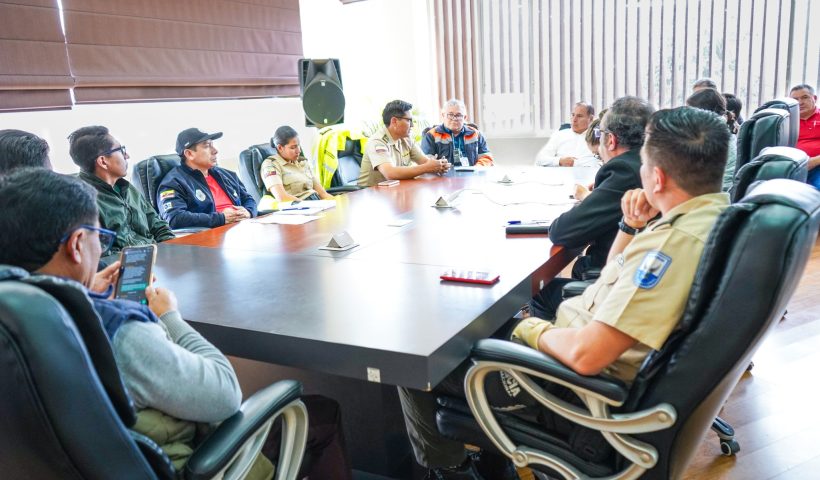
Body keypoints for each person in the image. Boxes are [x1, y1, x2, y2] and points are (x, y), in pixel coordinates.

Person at [397, 106, 731, 479]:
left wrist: (528, 328)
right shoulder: (703, 220)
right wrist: (630, 225)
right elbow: (612, 278)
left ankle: (453, 472)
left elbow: (587, 356)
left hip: (567, 383)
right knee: (482, 322)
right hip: (576, 352)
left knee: (417, 363)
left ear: (657, 176)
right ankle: (494, 462)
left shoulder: (672, 246)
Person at [0, 168, 352, 479]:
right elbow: (224, 395)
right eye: (99, 237)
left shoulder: (18, 315)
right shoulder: (116, 331)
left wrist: (81, 291)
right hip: (184, 465)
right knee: (322, 413)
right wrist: (169, 316)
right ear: (77, 245)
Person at [531, 97, 654, 315]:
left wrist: (592, 199)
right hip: (641, 275)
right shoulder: (648, 162)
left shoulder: (624, 170)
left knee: (539, 291)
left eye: (600, 133)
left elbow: (562, 232)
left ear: (611, 140)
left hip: (619, 288)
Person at [69, 125, 175, 255]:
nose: (127, 156)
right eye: (121, 150)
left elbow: (159, 226)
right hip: (126, 264)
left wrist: (174, 250)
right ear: (103, 161)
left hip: (155, 256)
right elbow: (100, 256)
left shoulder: (126, 188)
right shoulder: (81, 201)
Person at [158, 128, 257, 228]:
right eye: (207, 146)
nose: (215, 151)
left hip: (243, 228)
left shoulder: (227, 175)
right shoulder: (173, 183)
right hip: (210, 234)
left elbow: (248, 199)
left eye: (212, 145)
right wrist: (221, 218)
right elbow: (174, 218)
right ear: (189, 154)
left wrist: (249, 212)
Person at [357, 100, 450, 187]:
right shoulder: (377, 141)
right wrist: (427, 168)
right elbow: (390, 173)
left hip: (394, 190)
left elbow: (425, 162)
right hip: (369, 193)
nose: (412, 125)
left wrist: (439, 165)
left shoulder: (406, 138)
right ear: (394, 121)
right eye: (409, 120)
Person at [261, 125, 333, 202]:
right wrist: (311, 205)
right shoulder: (271, 165)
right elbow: (282, 198)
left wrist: (337, 202)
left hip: (317, 202)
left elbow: (323, 194)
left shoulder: (302, 162)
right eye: (293, 147)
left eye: (298, 146)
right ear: (280, 148)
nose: (299, 151)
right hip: (300, 206)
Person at [686, 89, 738, 191]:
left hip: (717, 191)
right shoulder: (721, 128)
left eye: (690, 112)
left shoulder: (712, 135)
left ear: (702, 113)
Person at [421, 99, 494, 166]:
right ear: (443, 115)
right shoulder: (431, 135)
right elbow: (425, 162)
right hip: (443, 174)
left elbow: (486, 157)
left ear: (465, 117)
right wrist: (439, 166)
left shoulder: (475, 134)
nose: (454, 118)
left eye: (458, 115)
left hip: (472, 174)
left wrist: (477, 169)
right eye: (450, 115)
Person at [534, 102, 596, 167]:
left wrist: (577, 163)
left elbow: (600, 163)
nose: (574, 120)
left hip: (588, 172)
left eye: (579, 116)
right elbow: (540, 159)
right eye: (573, 115)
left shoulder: (597, 137)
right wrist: (559, 161)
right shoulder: (560, 135)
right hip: (561, 172)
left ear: (591, 119)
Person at [789, 84, 820, 189]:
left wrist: (814, 161)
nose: (800, 102)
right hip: (792, 166)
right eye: (795, 99)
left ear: (814, 98)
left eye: (805, 97)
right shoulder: (786, 121)